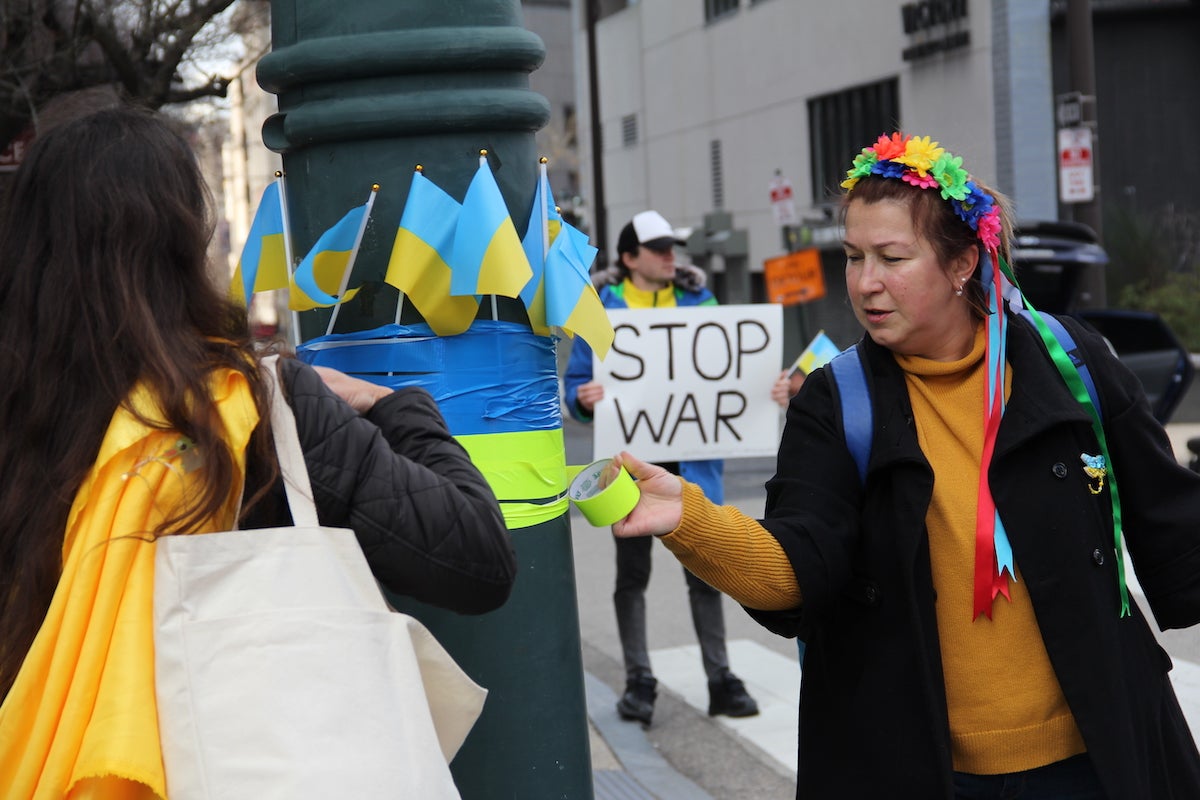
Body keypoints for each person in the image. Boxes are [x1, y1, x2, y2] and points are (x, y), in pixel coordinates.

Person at [604, 133, 1200, 798]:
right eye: (854, 257)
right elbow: (797, 567)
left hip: (1099, 762)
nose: (864, 282)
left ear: (962, 264)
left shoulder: (1071, 362)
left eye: (892, 257)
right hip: (918, 770)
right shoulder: (836, 401)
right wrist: (689, 518)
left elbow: (1177, 528)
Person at [0, 105, 518, 796]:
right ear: (184, 239)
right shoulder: (249, 409)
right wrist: (402, 409)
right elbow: (477, 560)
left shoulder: (18, 420)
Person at [563, 210, 759, 725]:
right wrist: (583, 400)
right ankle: (639, 680)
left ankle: (720, 678)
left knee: (706, 568)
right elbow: (575, 385)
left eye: (673, 246)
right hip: (628, 464)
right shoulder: (601, 310)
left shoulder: (702, 301)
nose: (671, 255)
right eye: (658, 248)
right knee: (633, 575)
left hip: (693, 461)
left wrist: (770, 389)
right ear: (628, 258)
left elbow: (735, 373)